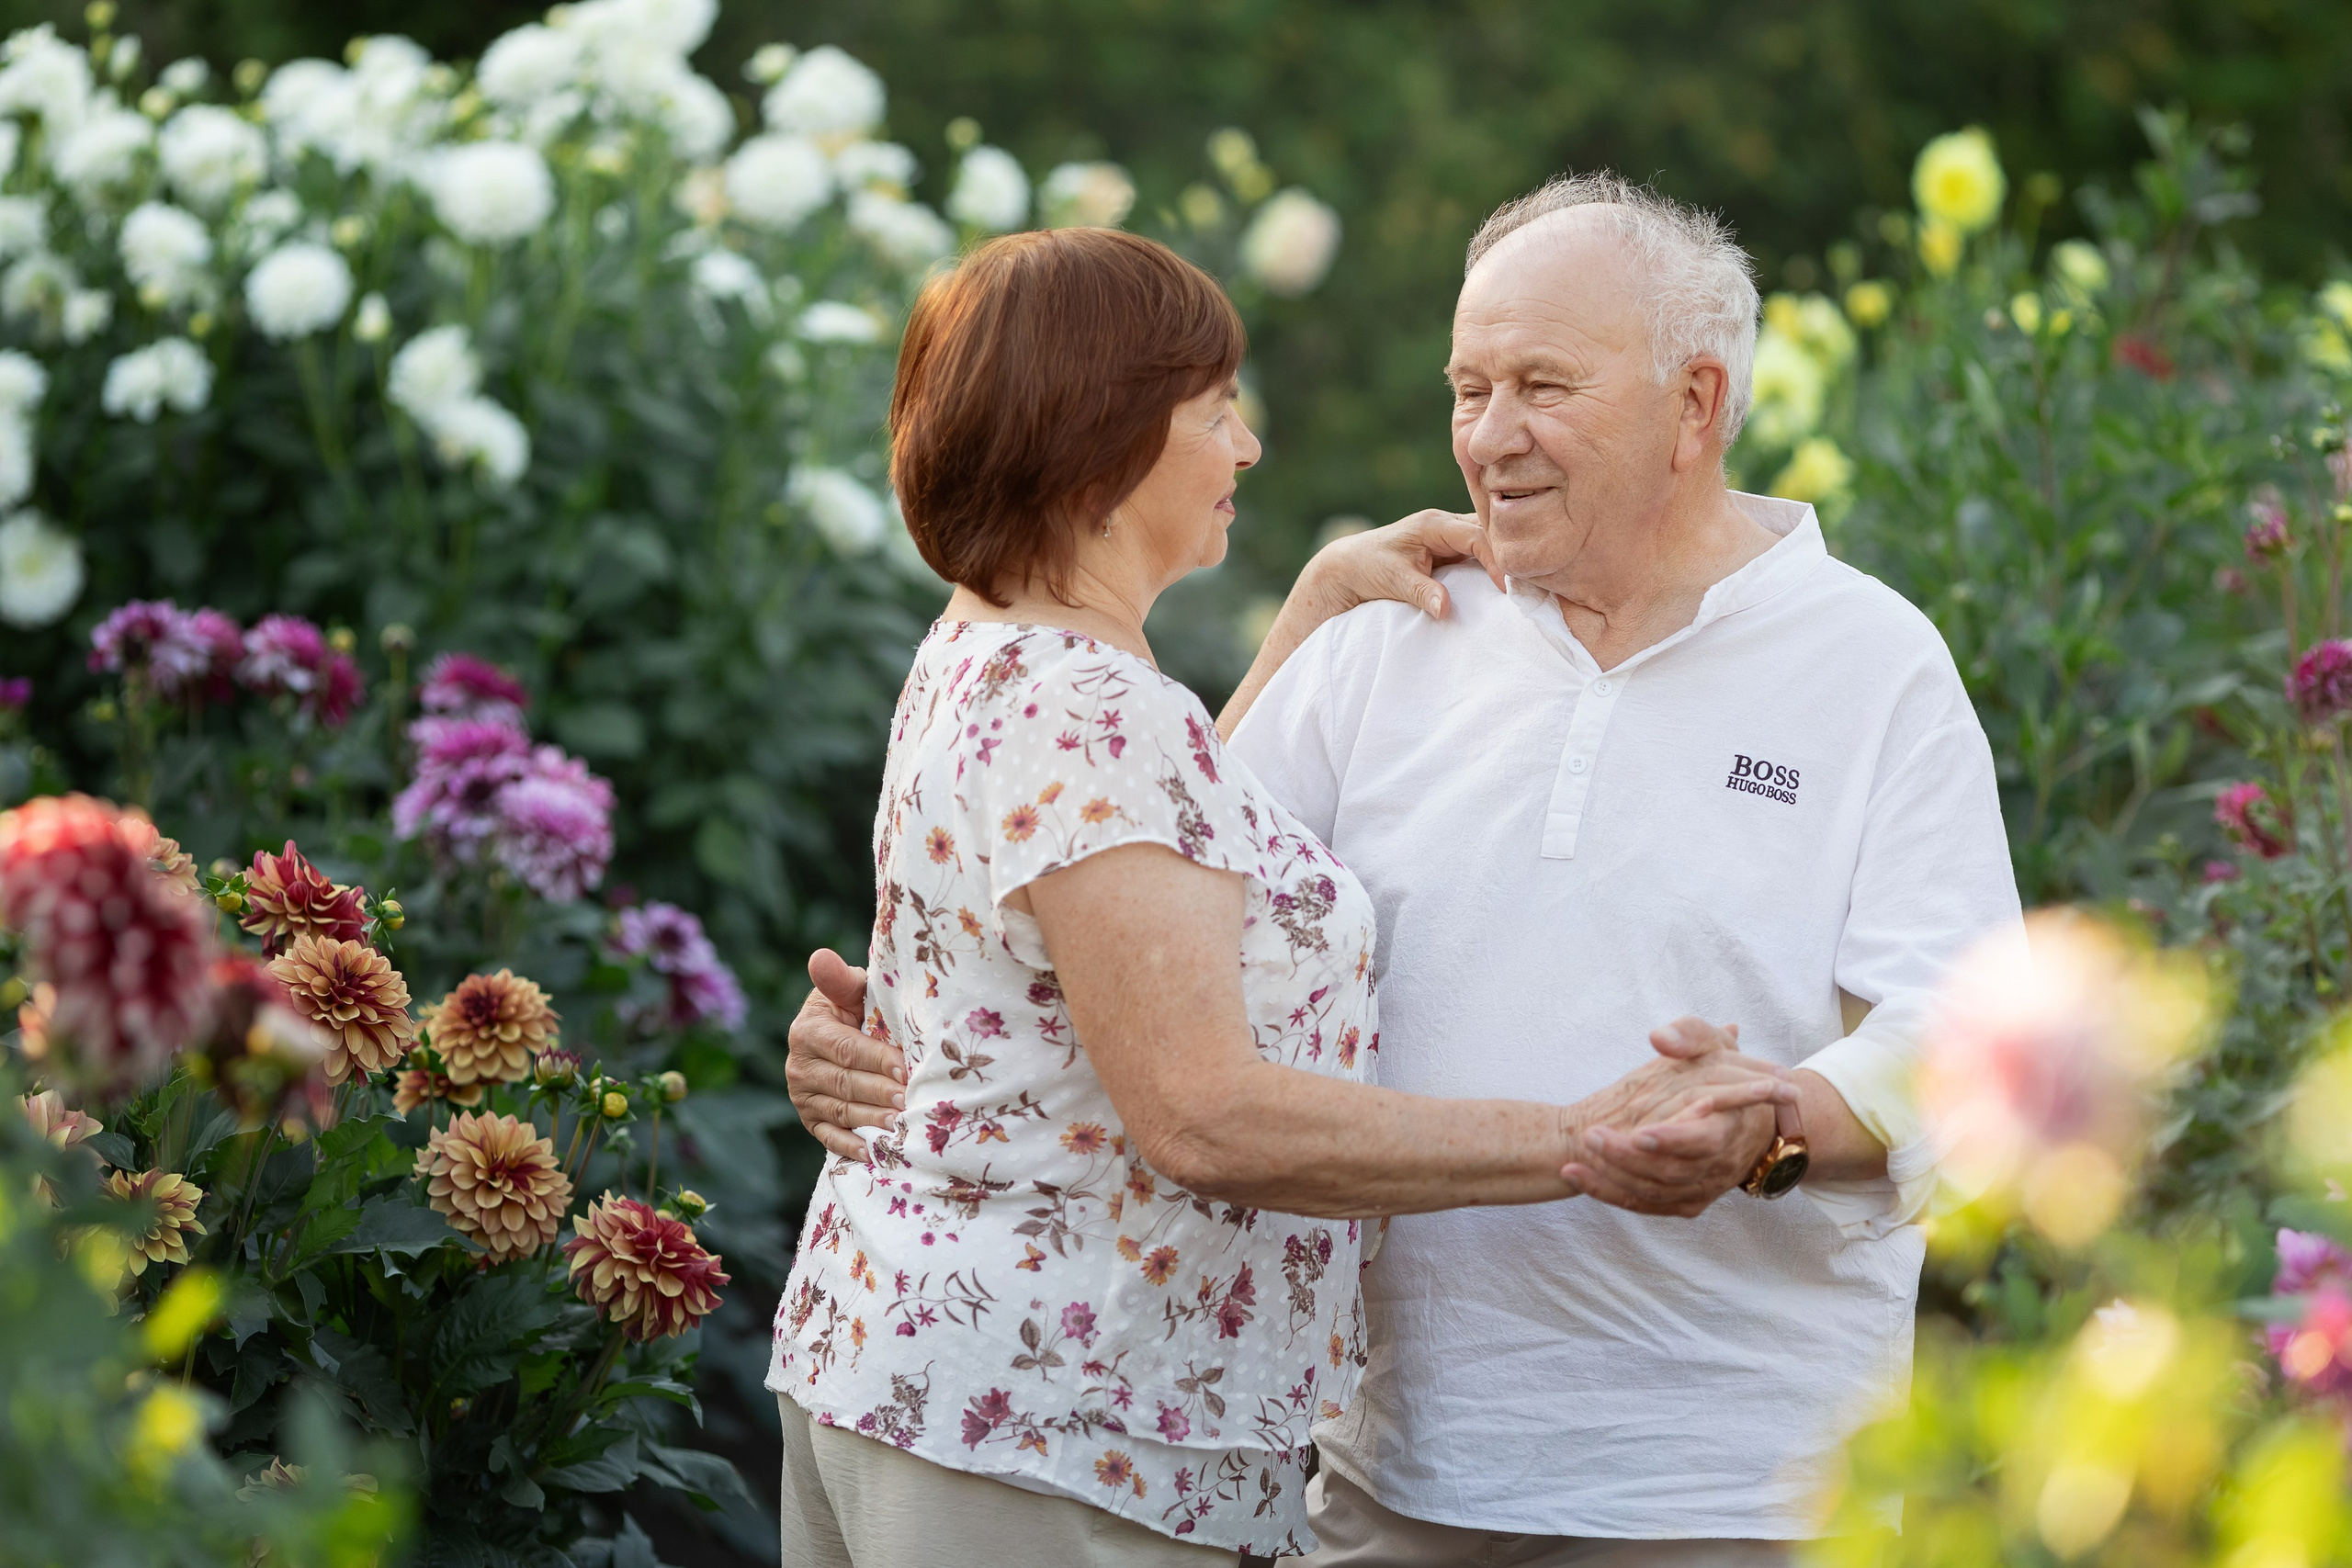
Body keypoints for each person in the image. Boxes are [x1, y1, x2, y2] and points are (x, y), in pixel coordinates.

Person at [787, 175, 2024, 1566]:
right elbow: (1129, 909)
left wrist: (1776, 1121)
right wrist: (896, 1020)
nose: (1490, 435)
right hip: (1394, 1465)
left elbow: (1968, 1039)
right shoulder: (1389, 627)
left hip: (1731, 1484)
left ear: (1696, 403)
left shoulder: (1872, 665)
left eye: (1542, 386)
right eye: (1469, 389)